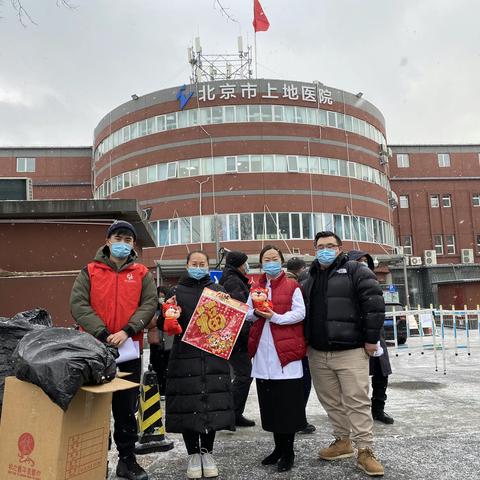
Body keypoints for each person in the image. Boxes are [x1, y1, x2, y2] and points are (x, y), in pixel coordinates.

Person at [70, 220, 158, 480]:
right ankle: (94, 461)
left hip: (128, 349)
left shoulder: (142, 273)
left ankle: (127, 460)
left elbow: (149, 303)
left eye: (128, 239)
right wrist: (102, 333)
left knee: (125, 407)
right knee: (93, 406)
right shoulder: (90, 271)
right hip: (94, 349)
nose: (123, 243)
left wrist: (128, 330)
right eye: (118, 238)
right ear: (108, 241)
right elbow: (78, 304)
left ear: (133, 244)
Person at [301, 231, 385, 477]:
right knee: (331, 401)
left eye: (330, 245)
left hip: (351, 350)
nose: (324, 250)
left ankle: (365, 450)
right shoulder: (308, 276)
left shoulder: (356, 271)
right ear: (314, 249)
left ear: (340, 248)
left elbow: (374, 305)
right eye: (320, 246)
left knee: (357, 401)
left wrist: (371, 340)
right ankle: (342, 441)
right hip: (317, 352)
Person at [164, 250, 235, 479]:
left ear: (208, 266)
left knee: (210, 405)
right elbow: (164, 324)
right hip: (185, 354)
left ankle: (207, 452)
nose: (198, 266)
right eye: (194, 263)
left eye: (202, 263)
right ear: (186, 266)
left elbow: (229, 324)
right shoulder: (175, 293)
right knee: (189, 404)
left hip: (213, 354)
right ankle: (193, 454)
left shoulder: (218, 291)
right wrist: (169, 316)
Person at [247, 245, 307, 473]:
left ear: (281, 261)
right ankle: (278, 448)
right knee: (271, 405)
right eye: (266, 259)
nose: (270, 262)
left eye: (274, 258)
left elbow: (300, 313)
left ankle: (289, 450)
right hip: (263, 353)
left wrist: (276, 318)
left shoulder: (292, 285)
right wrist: (256, 313)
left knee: (288, 406)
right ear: (260, 263)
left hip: (286, 352)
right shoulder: (256, 286)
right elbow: (246, 312)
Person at [348, 250, 394, 425]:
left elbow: (376, 307)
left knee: (381, 372)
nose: (363, 263)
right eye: (358, 260)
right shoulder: (345, 283)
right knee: (354, 378)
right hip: (353, 335)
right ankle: (354, 412)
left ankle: (378, 409)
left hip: (374, 334)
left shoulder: (372, 281)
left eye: (366, 261)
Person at [219, 250, 255, 427]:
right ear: (239, 264)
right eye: (245, 262)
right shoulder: (234, 281)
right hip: (237, 338)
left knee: (243, 375)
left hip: (233, 336)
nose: (246, 266)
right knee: (244, 375)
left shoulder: (231, 278)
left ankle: (234, 413)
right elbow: (239, 312)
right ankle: (231, 413)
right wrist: (246, 335)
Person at [286, 257, 315, 435]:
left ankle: (294, 418)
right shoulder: (296, 286)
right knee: (302, 382)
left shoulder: (282, 284)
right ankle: (297, 419)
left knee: (295, 384)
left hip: (289, 343)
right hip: (297, 343)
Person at [148, 286, 173, 398]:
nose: (161, 299)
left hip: (168, 343)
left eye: (163, 296)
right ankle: (159, 390)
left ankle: (167, 390)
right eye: (159, 296)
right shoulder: (152, 308)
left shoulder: (171, 307)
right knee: (157, 367)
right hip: (155, 342)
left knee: (168, 367)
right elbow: (148, 324)